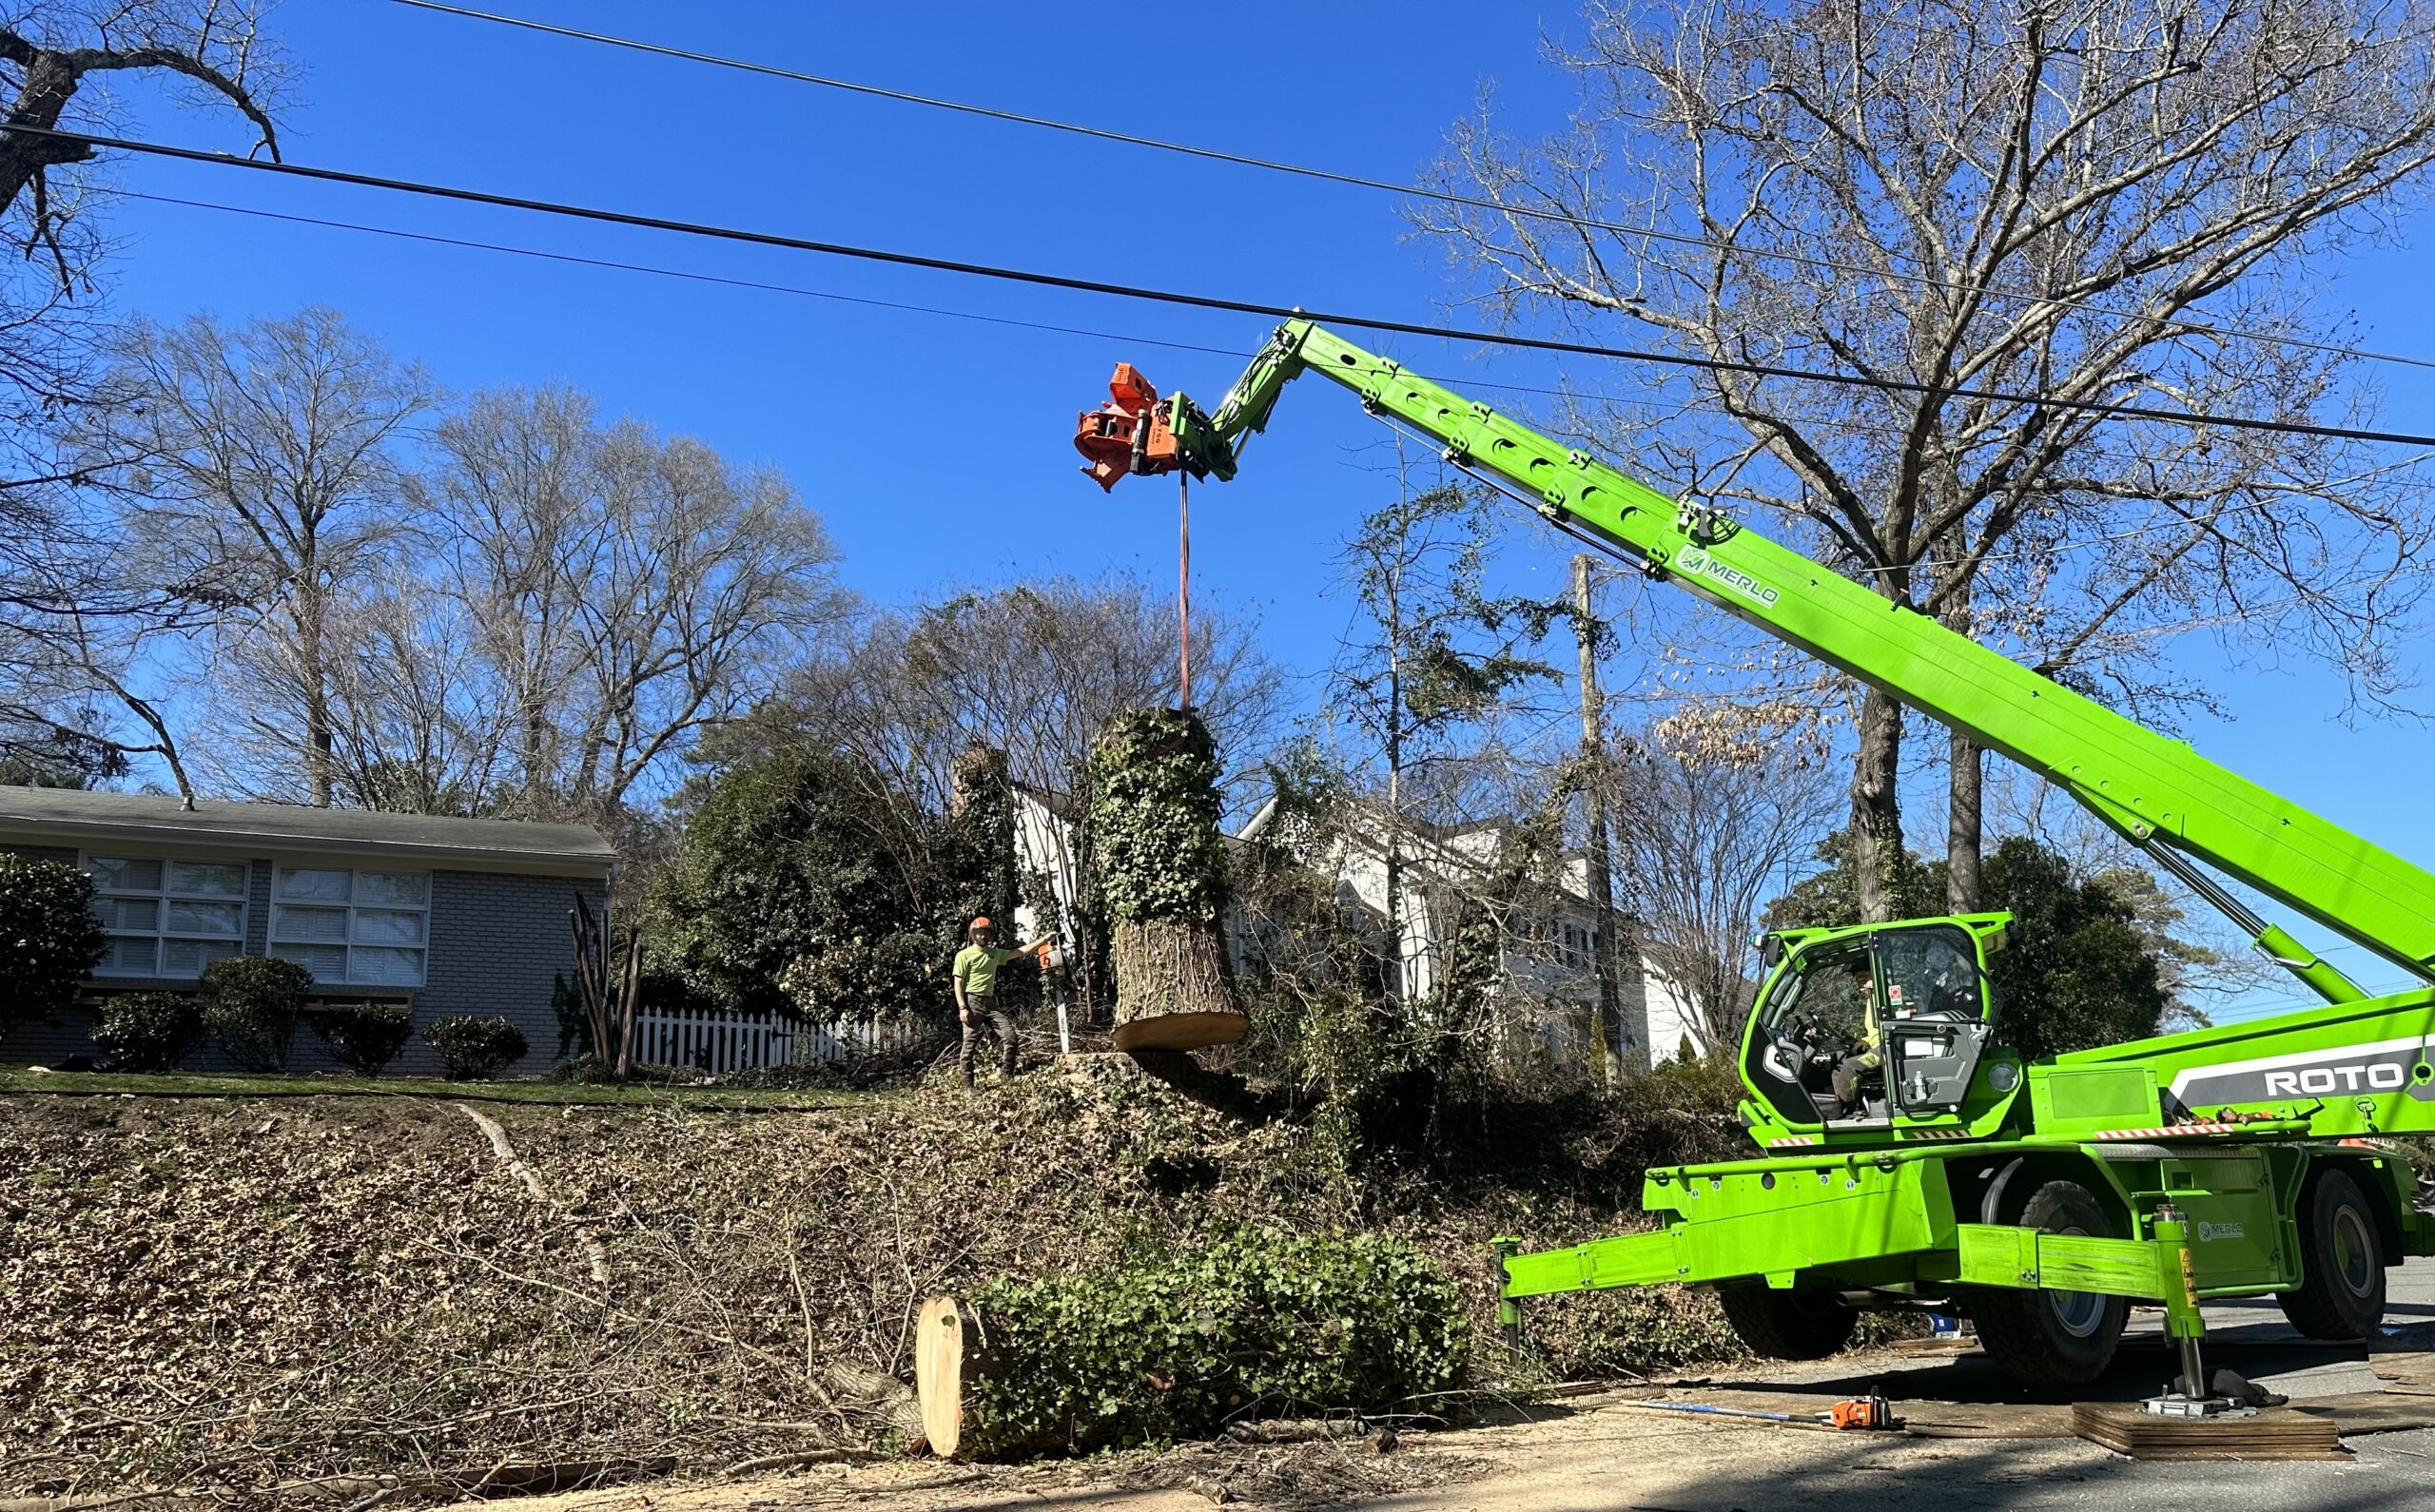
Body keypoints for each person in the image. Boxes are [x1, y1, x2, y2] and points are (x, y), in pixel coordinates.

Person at [952, 916, 1041, 1086]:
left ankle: (1007, 1077)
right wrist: (963, 1007)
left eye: (986, 933)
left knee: (1010, 1036)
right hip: (972, 1003)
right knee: (969, 1046)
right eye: (979, 933)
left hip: (990, 1004)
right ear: (972, 934)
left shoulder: (995, 954)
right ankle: (968, 1085)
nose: (983, 936)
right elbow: (958, 983)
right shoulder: (964, 955)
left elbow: (1021, 952)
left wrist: (1043, 940)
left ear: (991, 935)